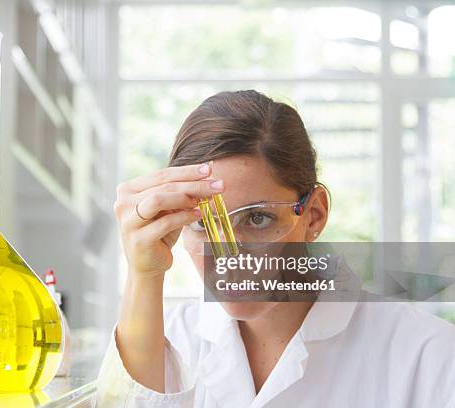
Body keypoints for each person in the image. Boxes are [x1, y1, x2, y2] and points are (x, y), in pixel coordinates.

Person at [95, 90, 455, 407]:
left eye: (257, 219)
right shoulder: (165, 338)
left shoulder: (428, 356)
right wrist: (144, 275)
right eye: (205, 224)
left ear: (313, 215)